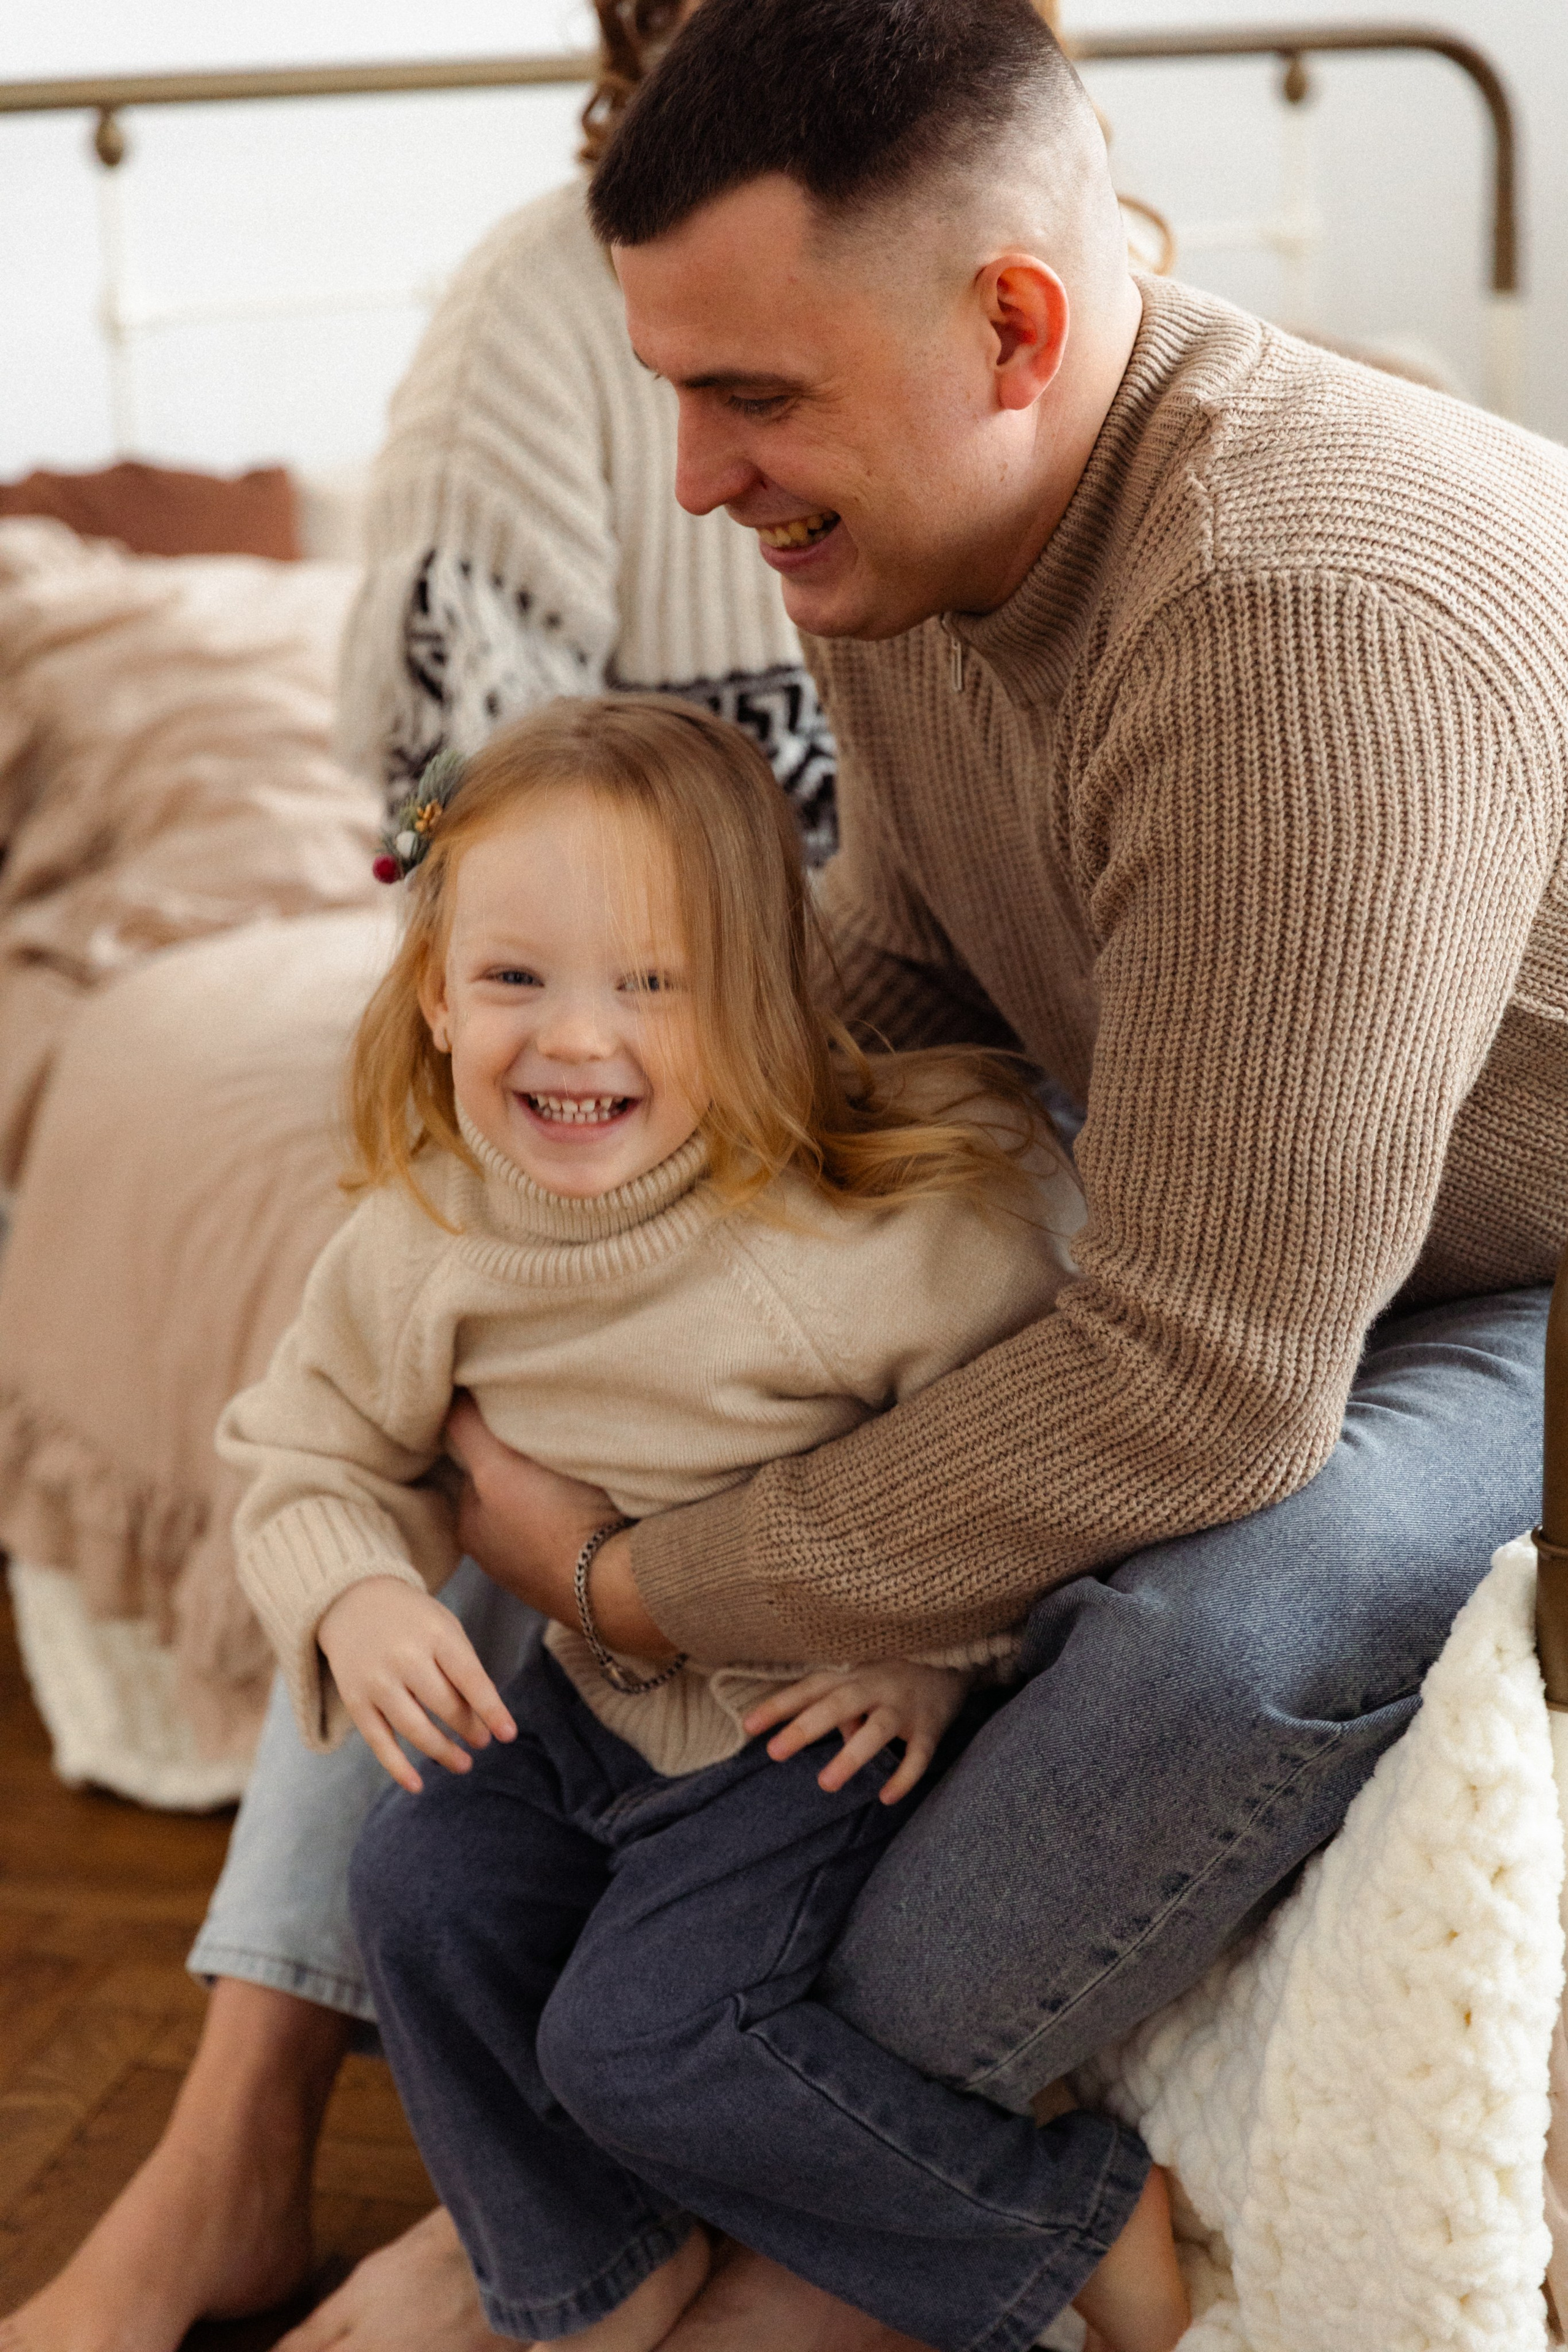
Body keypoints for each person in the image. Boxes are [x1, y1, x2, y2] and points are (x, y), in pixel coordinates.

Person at [6, 0, 1558, 2346]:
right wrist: (554, 1231)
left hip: (1503, 1253)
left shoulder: (1298, 615)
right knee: (533, 1285)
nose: (704, 479)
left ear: (1012, 326)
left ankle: (759, 2229)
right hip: (1209, 1154)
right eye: (672, 392)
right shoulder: (904, 546)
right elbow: (907, 977)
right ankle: (256, 2148)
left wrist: (648, 1586)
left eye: (755, 399)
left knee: (1236, 1619)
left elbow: (1213, 1386)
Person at [216, 693, 1183, 2352]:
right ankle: (593, 2276)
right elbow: (306, 1453)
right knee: (417, 1890)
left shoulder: (848, 1245)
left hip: (801, 1729)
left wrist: (934, 1659)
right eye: (516, 979)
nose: (576, 1041)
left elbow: (1029, 1455)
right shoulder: (418, 1241)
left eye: (651, 987)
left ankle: (1068, 2217)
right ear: (436, 993)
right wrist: (356, 1598)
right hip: (598, 1707)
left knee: (640, 2039)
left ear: (752, 1007)